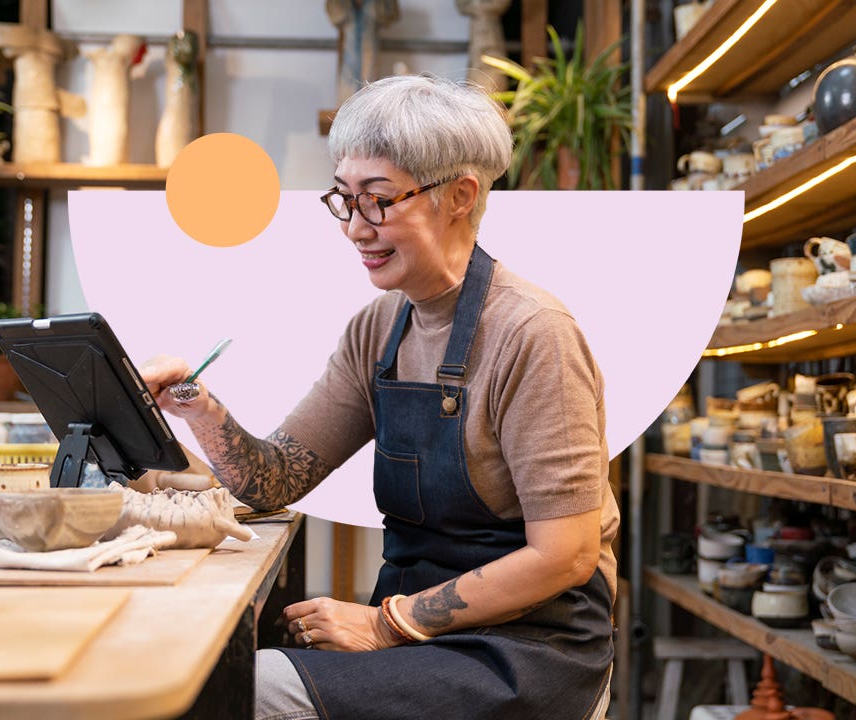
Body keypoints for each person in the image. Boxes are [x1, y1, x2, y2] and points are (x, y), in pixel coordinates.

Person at [139, 74, 620, 720]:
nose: (355, 229)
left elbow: (566, 556)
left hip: (531, 651)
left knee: (242, 688)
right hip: (428, 637)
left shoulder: (533, 335)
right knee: (214, 663)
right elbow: (273, 477)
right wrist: (198, 408)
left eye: (379, 200)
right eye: (344, 200)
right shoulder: (379, 330)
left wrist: (385, 626)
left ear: (460, 195)